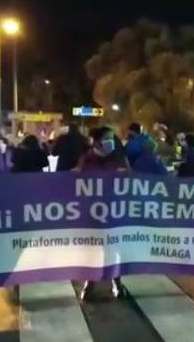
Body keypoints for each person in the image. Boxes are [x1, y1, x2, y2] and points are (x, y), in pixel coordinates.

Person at [74, 126, 129, 300]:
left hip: (114, 211)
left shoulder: (119, 158)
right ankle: (90, 283)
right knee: (94, 250)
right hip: (92, 213)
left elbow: (132, 180)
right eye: (107, 138)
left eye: (112, 138)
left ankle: (117, 283)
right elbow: (76, 182)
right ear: (96, 142)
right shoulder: (87, 159)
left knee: (114, 248)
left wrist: (125, 175)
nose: (111, 142)